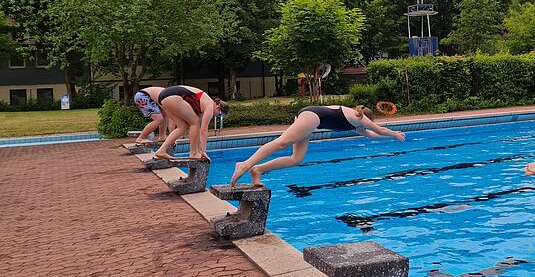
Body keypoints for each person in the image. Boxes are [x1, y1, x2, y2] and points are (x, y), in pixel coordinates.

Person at [230, 105, 405, 186]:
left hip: (310, 120)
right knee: (283, 143)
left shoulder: (357, 125)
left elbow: (373, 135)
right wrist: (394, 134)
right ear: (367, 118)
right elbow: (379, 130)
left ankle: (257, 170)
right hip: (312, 115)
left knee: (296, 159)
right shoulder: (359, 116)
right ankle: (245, 164)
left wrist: (388, 138)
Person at [153, 85, 229, 160]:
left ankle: (161, 151)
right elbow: (203, 130)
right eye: (219, 115)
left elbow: (198, 131)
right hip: (172, 96)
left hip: (163, 97)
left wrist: (200, 150)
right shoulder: (210, 105)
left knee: (183, 127)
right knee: (195, 123)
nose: (216, 116)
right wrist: (203, 151)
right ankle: (193, 153)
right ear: (218, 107)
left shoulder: (203, 104)